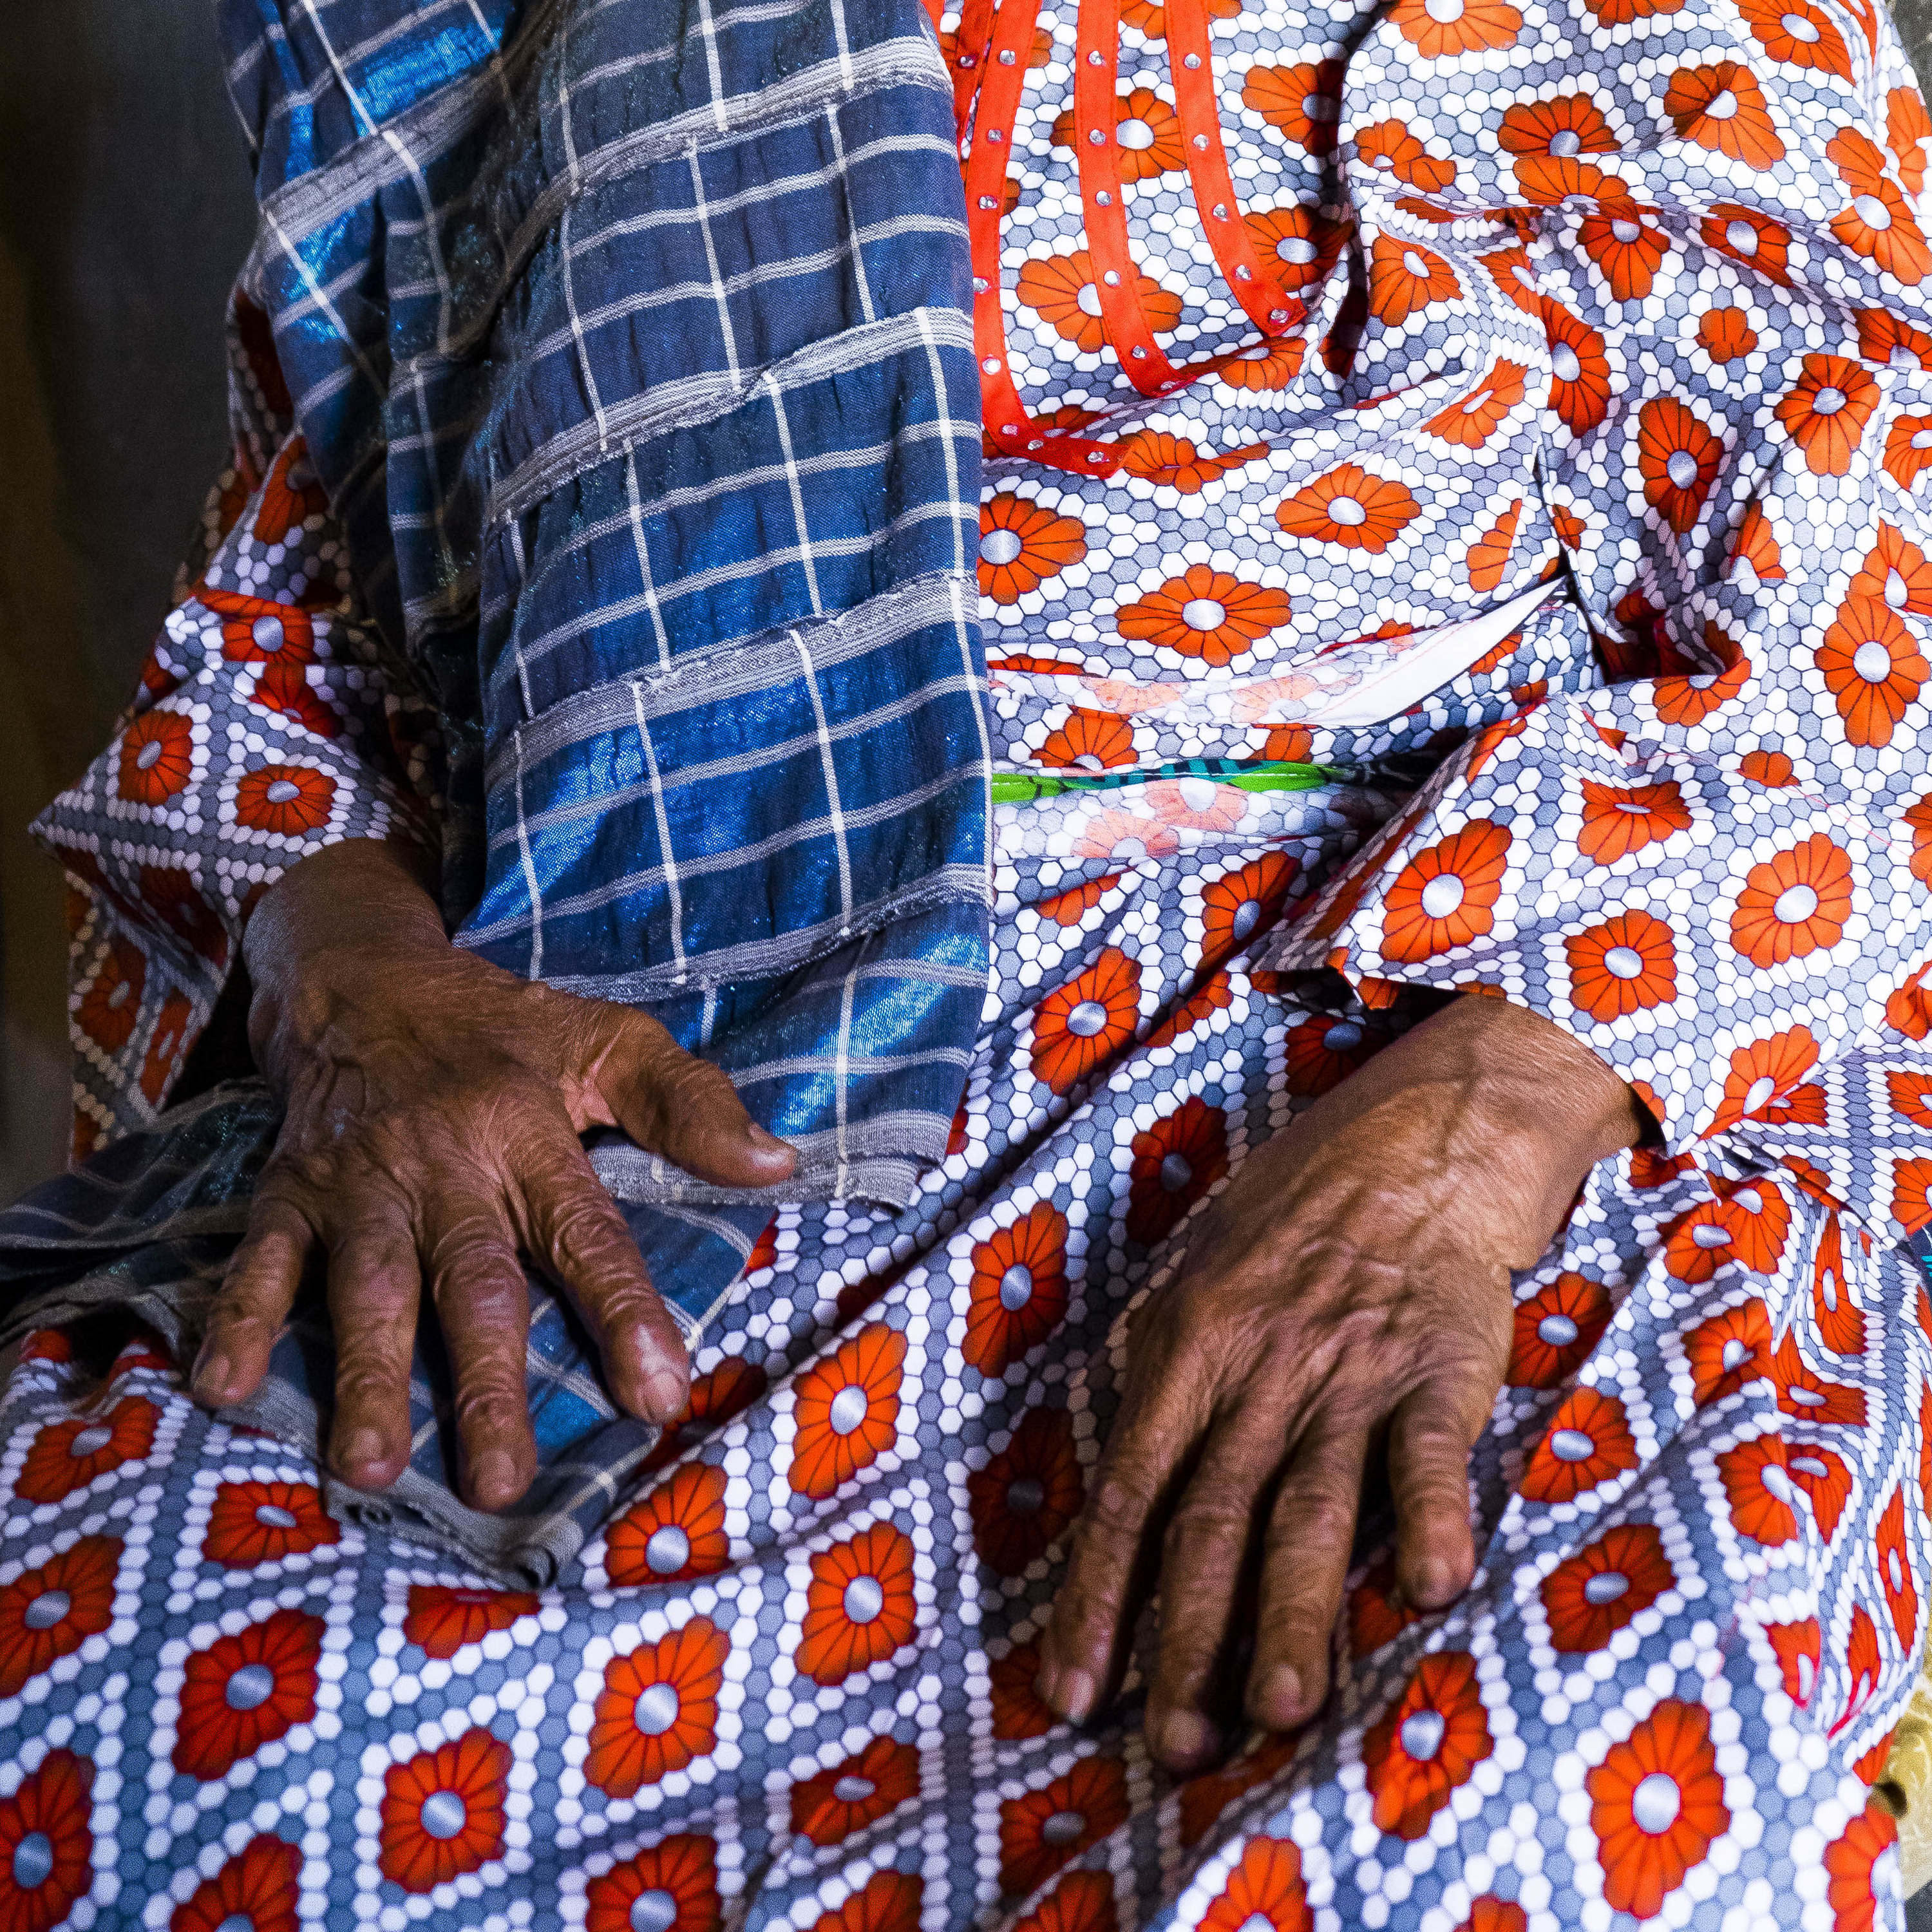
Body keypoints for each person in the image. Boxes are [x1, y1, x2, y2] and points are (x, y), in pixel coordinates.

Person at [1, 0, 1929, 1920]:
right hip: (658, 1019)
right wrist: (359, 992)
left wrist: (1487, 1120)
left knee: (1534, 1794)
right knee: (86, 1697)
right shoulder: (477, 36)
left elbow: (1885, 540)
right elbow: (272, 666)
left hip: (1450, 995)